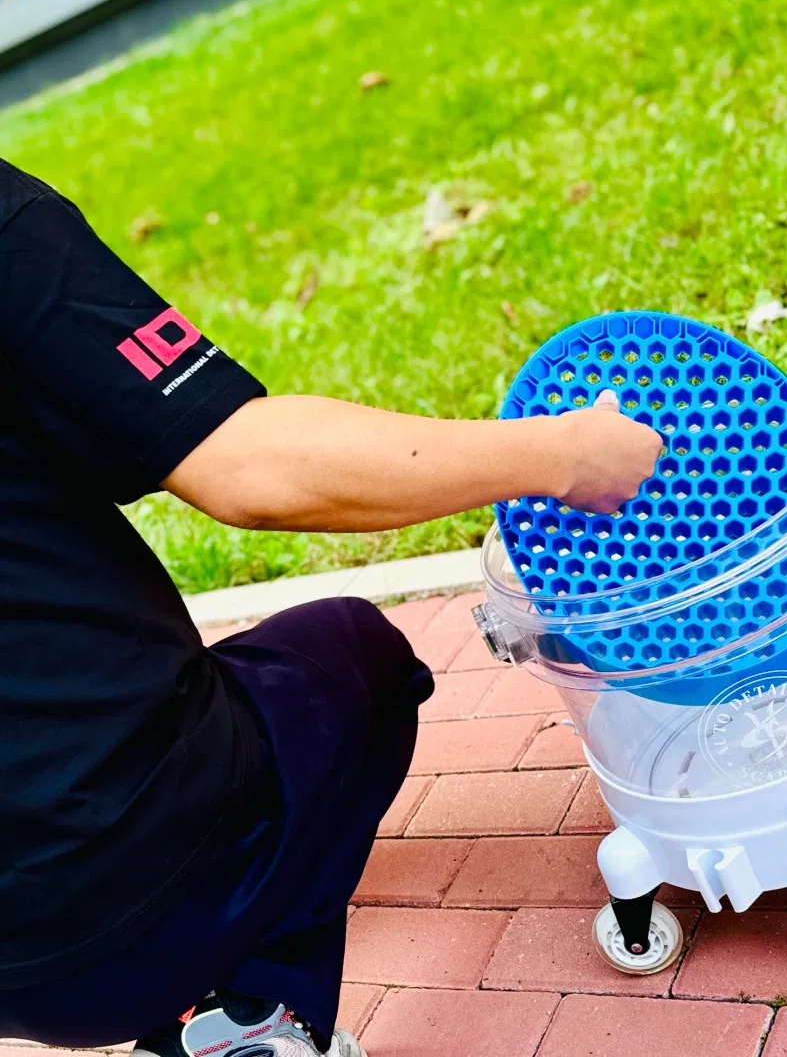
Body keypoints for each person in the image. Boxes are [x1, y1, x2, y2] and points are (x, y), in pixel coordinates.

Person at [0, 158, 661, 1056]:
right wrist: (567, 455)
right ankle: (252, 1014)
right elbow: (248, 468)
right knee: (352, 658)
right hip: (122, 899)